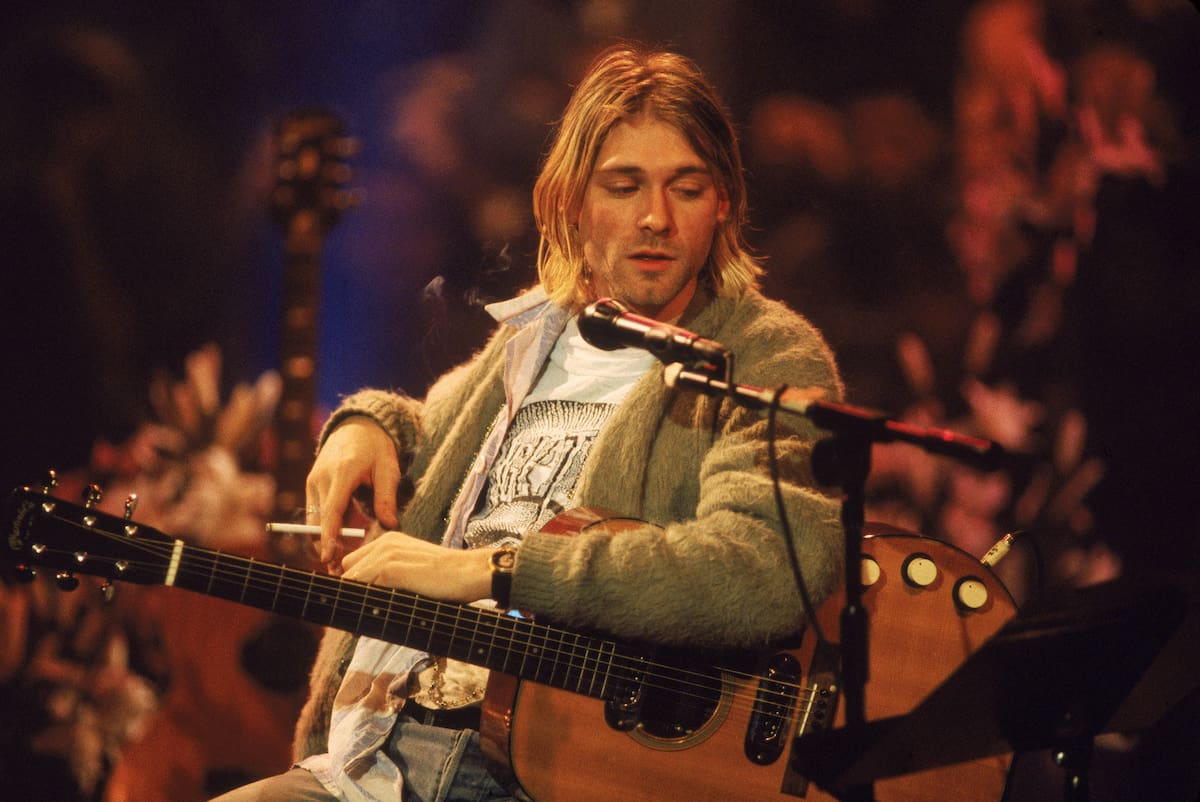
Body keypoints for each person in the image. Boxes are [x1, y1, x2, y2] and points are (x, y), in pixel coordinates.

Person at [213, 44, 845, 802]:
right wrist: (366, 425)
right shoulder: (537, 334)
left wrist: (498, 570)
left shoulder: (764, 353)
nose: (655, 218)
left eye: (686, 187)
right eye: (623, 186)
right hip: (372, 753)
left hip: (550, 771)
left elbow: (766, 567)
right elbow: (428, 429)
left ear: (725, 205)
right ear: (571, 203)